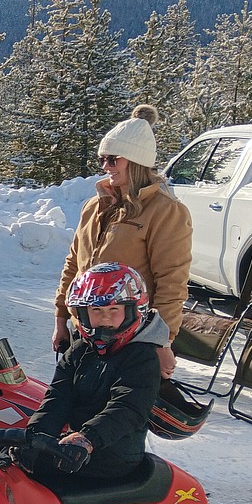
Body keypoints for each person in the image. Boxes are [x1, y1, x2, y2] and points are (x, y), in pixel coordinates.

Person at [52, 105, 192, 380]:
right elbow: (74, 266)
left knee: (120, 417)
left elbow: (171, 282)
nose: (105, 167)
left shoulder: (166, 211)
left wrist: (162, 341)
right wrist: (60, 318)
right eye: (103, 159)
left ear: (135, 160)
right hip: (87, 331)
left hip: (133, 338)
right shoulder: (95, 206)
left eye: (113, 160)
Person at [21, 262, 168, 482]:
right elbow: (58, 397)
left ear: (133, 311)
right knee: (12, 458)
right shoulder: (79, 351)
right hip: (75, 446)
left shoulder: (140, 356)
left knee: (34, 471)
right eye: (96, 311)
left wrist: (86, 439)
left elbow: (128, 408)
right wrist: (35, 435)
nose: (105, 318)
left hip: (114, 453)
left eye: (114, 310)